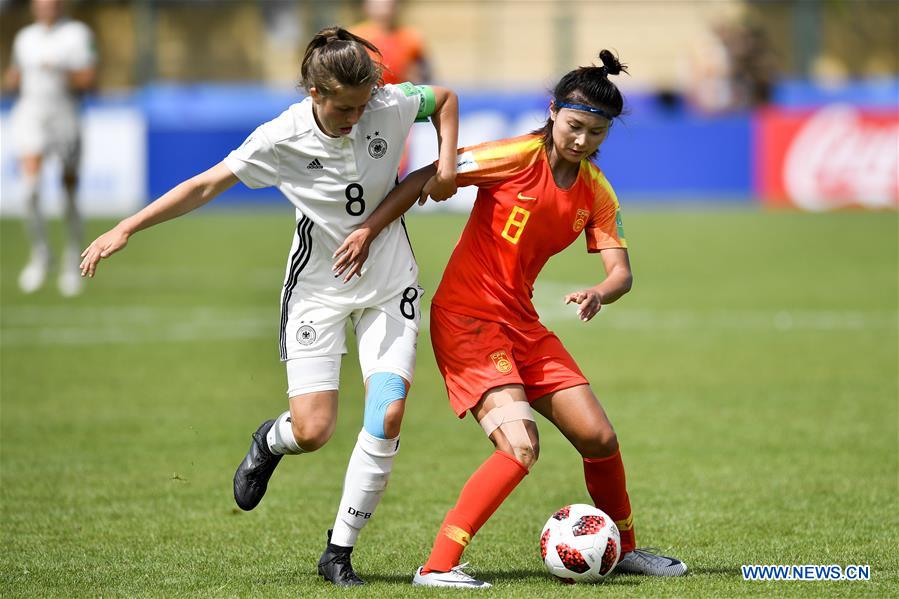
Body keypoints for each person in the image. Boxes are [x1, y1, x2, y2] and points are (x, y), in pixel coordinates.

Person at [79, 26, 459, 587]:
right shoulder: (282, 136)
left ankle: (338, 553)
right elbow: (206, 185)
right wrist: (127, 227)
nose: (357, 116)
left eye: (362, 105)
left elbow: (445, 99)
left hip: (388, 280)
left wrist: (445, 163)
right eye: (345, 108)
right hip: (316, 289)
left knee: (387, 412)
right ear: (315, 96)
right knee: (314, 430)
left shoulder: (387, 102)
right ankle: (270, 440)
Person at [333, 50, 687, 588]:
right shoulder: (515, 156)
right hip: (469, 320)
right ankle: (438, 566)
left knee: (599, 438)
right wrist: (369, 231)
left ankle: (626, 547)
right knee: (520, 447)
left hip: (521, 323)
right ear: (552, 112)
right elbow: (428, 174)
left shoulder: (596, 191)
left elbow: (621, 272)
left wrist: (600, 293)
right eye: (574, 126)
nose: (582, 141)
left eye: (596, 133)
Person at [4, 0, 97, 297]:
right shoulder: (25, 37)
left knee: (68, 192)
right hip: (31, 114)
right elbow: (14, 77)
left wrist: (59, 68)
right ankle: (40, 254)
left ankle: (73, 260)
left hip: (65, 115)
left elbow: (88, 78)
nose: (48, 7)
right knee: (30, 189)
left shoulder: (77, 34)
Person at [351, 0, 430, 85]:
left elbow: (424, 71)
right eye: (378, 7)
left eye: (388, 6)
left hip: (402, 91)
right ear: (366, 7)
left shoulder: (411, 36)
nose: (384, 11)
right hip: (368, 91)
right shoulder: (356, 36)